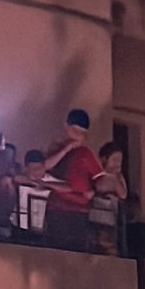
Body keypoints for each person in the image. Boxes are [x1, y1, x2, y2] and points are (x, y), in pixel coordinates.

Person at [42, 107, 102, 249]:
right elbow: (45, 167)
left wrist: (93, 190)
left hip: (79, 211)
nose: (78, 136)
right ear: (66, 128)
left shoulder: (86, 154)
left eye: (82, 133)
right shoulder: (56, 147)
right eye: (75, 131)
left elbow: (98, 178)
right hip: (57, 208)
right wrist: (66, 149)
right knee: (56, 249)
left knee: (76, 252)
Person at [88, 140, 127, 254]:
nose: (117, 164)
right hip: (94, 219)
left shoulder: (118, 178)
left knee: (110, 250)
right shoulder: (95, 173)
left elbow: (123, 194)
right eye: (114, 160)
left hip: (110, 221)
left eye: (120, 161)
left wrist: (115, 179)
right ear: (105, 159)